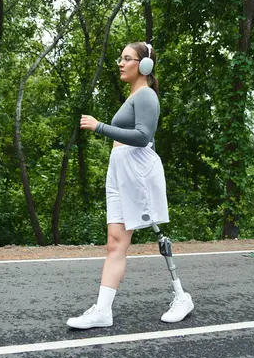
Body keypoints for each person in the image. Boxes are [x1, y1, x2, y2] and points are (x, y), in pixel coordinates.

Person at [66, 42, 194, 329]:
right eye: (120, 58)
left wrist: (100, 126)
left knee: (157, 233)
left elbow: (142, 136)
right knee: (115, 242)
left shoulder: (147, 95)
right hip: (120, 167)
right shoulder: (134, 96)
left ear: (144, 65)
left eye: (127, 59)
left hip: (138, 168)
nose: (120, 63)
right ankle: (103, 310)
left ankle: (181, 296)